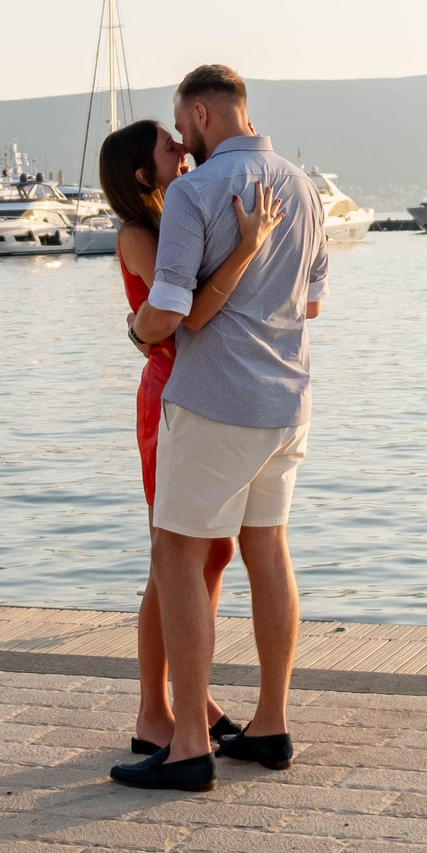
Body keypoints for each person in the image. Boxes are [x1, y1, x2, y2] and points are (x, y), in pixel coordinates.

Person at [111, 63, 326, 791]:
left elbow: (169, 311)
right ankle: (270, 723)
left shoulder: (198, 192)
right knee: (267, 550)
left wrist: (139, 333)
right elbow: (314, 304)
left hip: (213, 403)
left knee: (175, 557)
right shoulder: (302, 186)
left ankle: (189, 743)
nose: (184, 140)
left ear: (202, 113)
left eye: (182, 123)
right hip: (287, 401)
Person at [97, 116, 282, 755]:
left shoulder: (179, 215)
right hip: (171, 398)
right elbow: (186, 315)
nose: (185, 151)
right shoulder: (139, 235)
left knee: (213, 553)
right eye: (169, 147)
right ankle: (155, 711)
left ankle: (191, 695)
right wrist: (248, 247)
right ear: (144, 174)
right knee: (169, 557)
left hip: (205, 400)